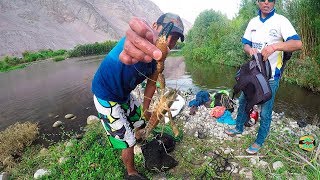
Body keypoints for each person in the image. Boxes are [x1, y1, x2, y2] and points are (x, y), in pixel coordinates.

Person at [92, 13, 184, 180]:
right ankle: (131, 171)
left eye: (176, 38)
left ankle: (140, 142)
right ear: (154, 27)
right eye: (169, 35)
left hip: (125, 95)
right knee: (127, 140)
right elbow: (133, 39)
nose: (170, 41)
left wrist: (146, 107)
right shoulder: (138, 41)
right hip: (106, 95)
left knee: (141, 122)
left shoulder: (163, 53)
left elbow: (151, 83)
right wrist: (139, 36)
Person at [225, 0, 302, 154]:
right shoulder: (253, 22)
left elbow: (297, 43)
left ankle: (259, 140)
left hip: (272, 75)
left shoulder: (281, 21)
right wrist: (249, 50)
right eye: (262, 0)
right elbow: (245, 43)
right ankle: (238, 128)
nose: (266, 3)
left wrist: (274, 47)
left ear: (274, 2)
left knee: (266, 111)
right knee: (243, 101)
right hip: (253, 74)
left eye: (270, 0)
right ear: (257, 2)